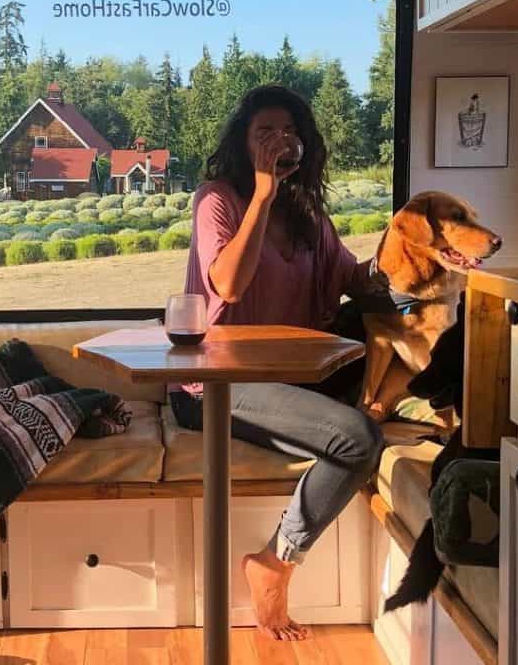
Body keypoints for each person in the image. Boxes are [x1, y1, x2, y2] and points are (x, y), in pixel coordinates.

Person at [170, 85, 384, 641]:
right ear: (243, 144)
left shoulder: (309, 213)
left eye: (289, 132)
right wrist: (262, 196)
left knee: (359, 434)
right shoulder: (218, 199)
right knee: (358, 438)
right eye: (265, 132)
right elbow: (229, 284)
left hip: (287, 380)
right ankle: (276, 562)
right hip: (213, 383)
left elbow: (352, 281)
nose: (279, 141)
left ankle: (273, 559)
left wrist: (407, 249)